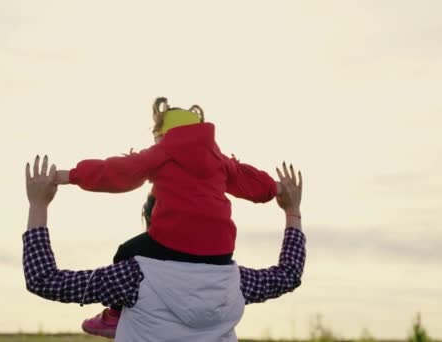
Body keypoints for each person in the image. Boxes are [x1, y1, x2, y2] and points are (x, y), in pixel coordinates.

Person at [53, 98, 283, 336]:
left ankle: (115, 314)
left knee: (126, 252)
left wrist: (71, 175)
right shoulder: (219, 160)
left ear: (163, 134)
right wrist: (277, 188)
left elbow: (117, 173)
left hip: (173, 243)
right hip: (221, 250)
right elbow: (250, 181)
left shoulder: (162, 153)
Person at [24, 155, 305, 341]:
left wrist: (38, 205)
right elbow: (289, 274)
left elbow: (44, 279)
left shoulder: (132, 278)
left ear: (151, 223)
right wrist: (292, 211)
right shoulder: (234, 283)